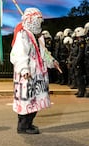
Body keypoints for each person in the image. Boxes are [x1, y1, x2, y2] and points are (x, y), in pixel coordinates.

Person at [10, 7, 58, 135]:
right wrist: (24, 69)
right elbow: (18, 53)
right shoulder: (23, 35)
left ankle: (28, 124)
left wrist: (52, 62)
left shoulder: (38, 36)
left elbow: (43, 53)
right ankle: (23, 126)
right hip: (27, 75)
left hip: (37, 75)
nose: (41, 23)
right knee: (27, 102)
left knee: (35, 102)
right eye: (39, 21)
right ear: (34, 21)